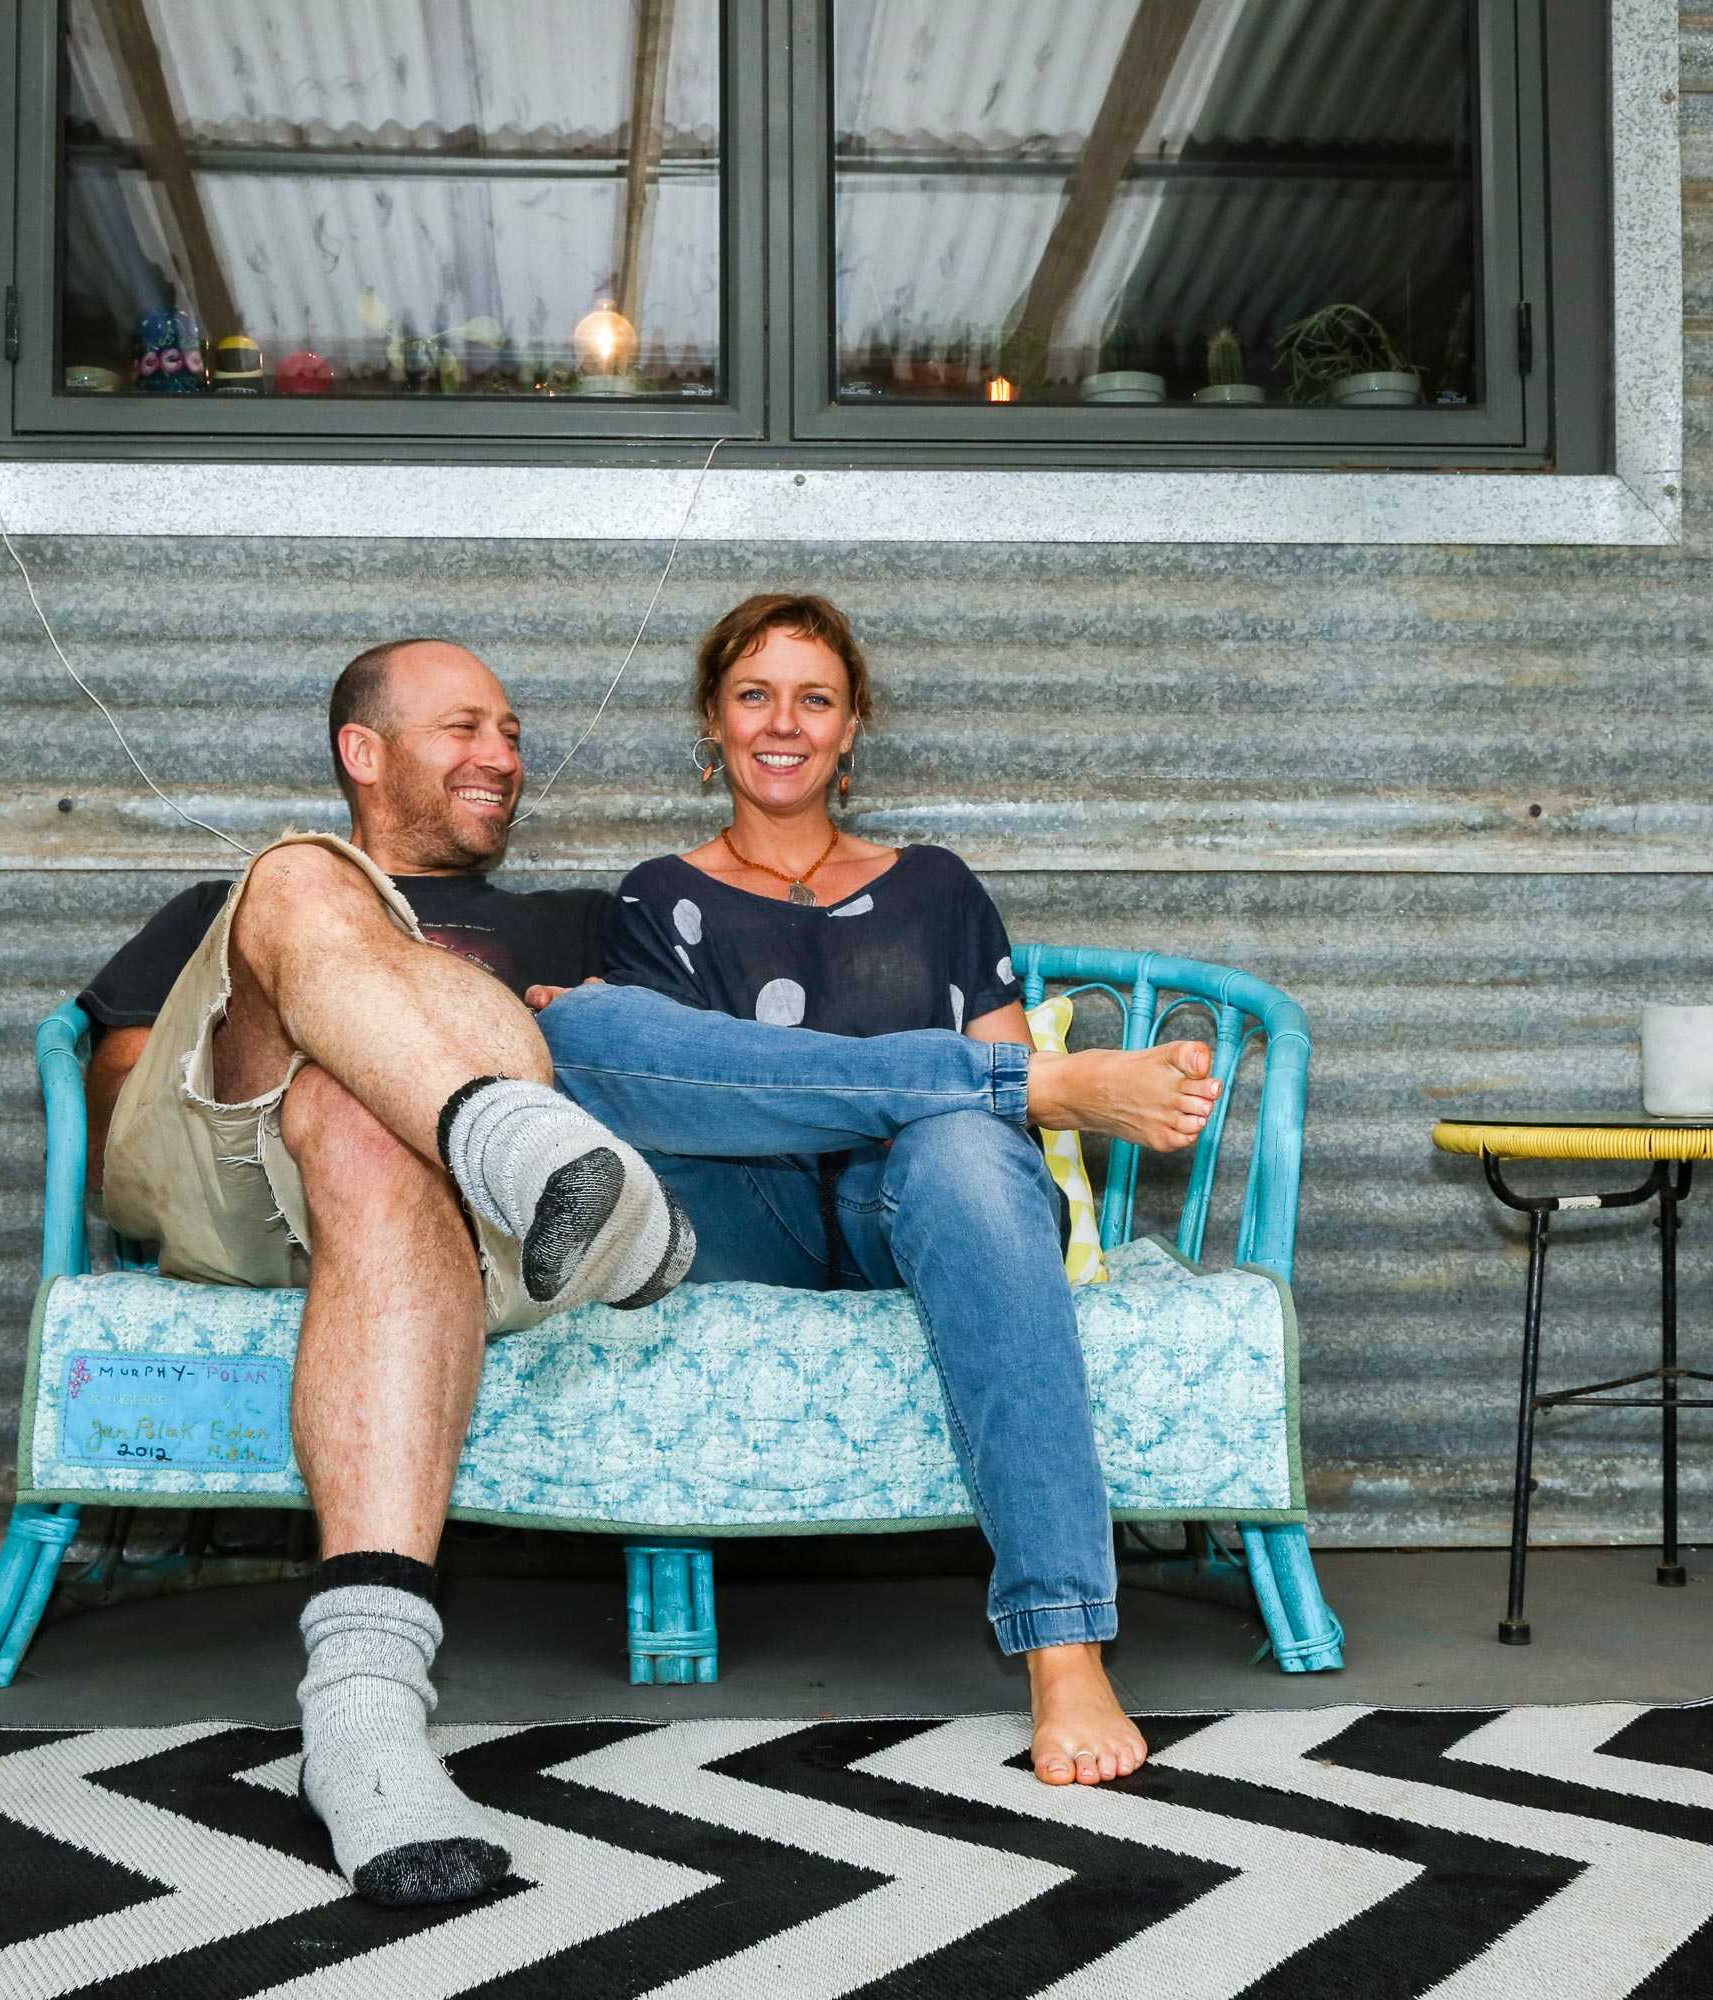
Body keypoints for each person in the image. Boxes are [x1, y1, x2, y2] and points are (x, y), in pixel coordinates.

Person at [80, 635, 1221, 1905]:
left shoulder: (574, 921)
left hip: (449, 1197)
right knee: (306, 890)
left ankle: (362, 1712)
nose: (502, 755)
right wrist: (356, 1023)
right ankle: (511, 1131)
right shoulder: (235, 903)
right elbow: (123, 1103)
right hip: (242, 1150)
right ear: (364, 748)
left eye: (511, 731)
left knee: (527, 1049)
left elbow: (668, 1064)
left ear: (855, 729)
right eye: (466, 728)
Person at [529, 591, 1217, 1788]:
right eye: (754, 695)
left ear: (853, 730)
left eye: (814, 698)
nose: (782, 723)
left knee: (960, 1140)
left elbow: (997, 1139)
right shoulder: (655, 894)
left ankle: (1065, 1643)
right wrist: (977, 1081)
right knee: (588, 1028)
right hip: (749, 1206)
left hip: (926, 1212)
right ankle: (999, 1079)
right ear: (712, 721)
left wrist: (951, 1106)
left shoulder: (935, 887)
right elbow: (697, 1093)